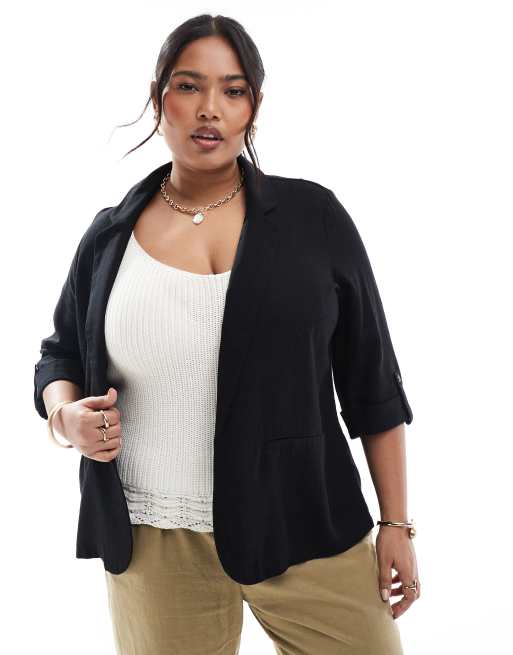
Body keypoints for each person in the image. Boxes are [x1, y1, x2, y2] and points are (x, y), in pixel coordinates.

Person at [33, 13, 420, 655]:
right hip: (153, 543)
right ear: (159, 99)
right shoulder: (109, 236)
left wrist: (397, 524)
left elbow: (373, 386)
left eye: (232, 90)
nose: (209, 108)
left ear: (252, 108)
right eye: (189, 86)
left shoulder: (313, 220)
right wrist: (64, 418)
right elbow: (60, 355)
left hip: (306, 524)